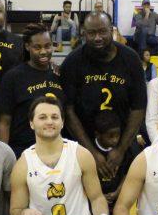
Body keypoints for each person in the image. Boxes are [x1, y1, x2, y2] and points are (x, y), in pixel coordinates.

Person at [59, 10, 147, 185]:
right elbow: (68, 111)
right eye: (91, 33)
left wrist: (121, 149)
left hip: (122, 143)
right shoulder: (72, 62)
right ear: (83, 33)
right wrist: (91, 152)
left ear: (112, 30)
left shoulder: (131, 59)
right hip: (84, 146)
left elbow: (138, 107)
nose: (97, 37)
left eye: (102, 32)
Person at [0, 23, 65, 156]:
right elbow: (5, 122)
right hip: (23, 151)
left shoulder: (59, 75)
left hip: (56, 151)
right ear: (27, 46)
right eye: (37, 47)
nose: (43, 51)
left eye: (47, 46)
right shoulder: (13, 77)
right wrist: (4, 157)